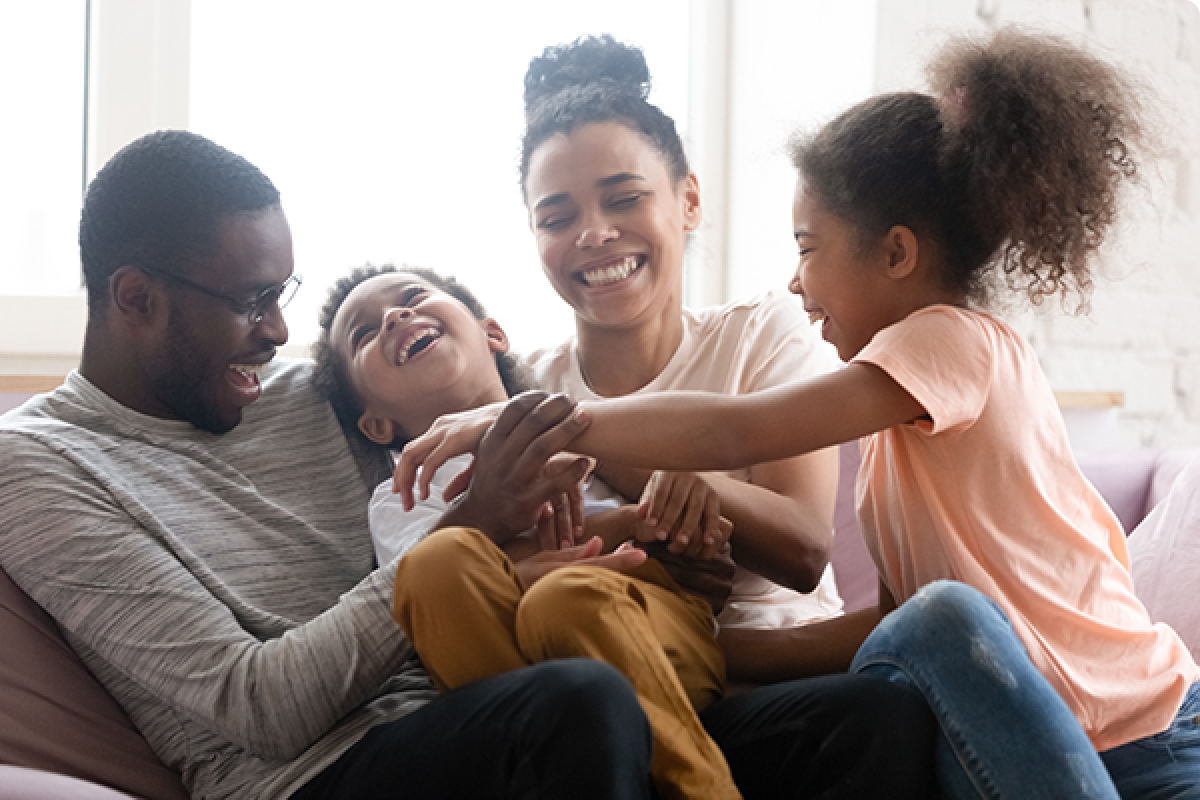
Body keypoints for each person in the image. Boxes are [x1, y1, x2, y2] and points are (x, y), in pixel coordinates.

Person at [396, 28, 1200, 799]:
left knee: (940, 621)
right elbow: (881, 629)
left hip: (1138, 730)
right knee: (920, 632)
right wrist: (695, 648)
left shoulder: (954, 342)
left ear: (895, 254)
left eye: (808, 248)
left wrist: (542, 419)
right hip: (1018, 732)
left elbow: (735, 430)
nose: (793, 281)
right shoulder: (895, 443)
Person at [0, 130, 660, 800]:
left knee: (765, 725)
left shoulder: (307, 390)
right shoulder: (38, 463)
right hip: (312, 776)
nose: (279, 333)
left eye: (282, 293)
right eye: (251, 301)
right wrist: (475, 522)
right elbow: (257, 706)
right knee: (579, 703)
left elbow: (480, 416)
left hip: (477, 706)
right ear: (138, 300)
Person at [312, 263, 742, 800]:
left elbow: (667, 519)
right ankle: (552, 754)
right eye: (364, 333)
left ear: (493, 334)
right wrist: (614, 530)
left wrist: (676, 506)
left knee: (566, 598)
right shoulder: (401, 496)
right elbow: (441, 601)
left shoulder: (580, 426)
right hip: (522, 664)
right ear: (376, 424)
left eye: (414, 296)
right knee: (435, 565)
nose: (396, 316)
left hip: (648, 630)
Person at [518, 34, 846, 681]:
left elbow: (805, 550)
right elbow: (523, 571)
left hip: (787, 678)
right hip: (621, 677)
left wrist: (684, 479)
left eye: (623, 198)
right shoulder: (524, 384)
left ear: (689, 200)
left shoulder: (759, 332)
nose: (593, 233)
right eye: (556, 217)